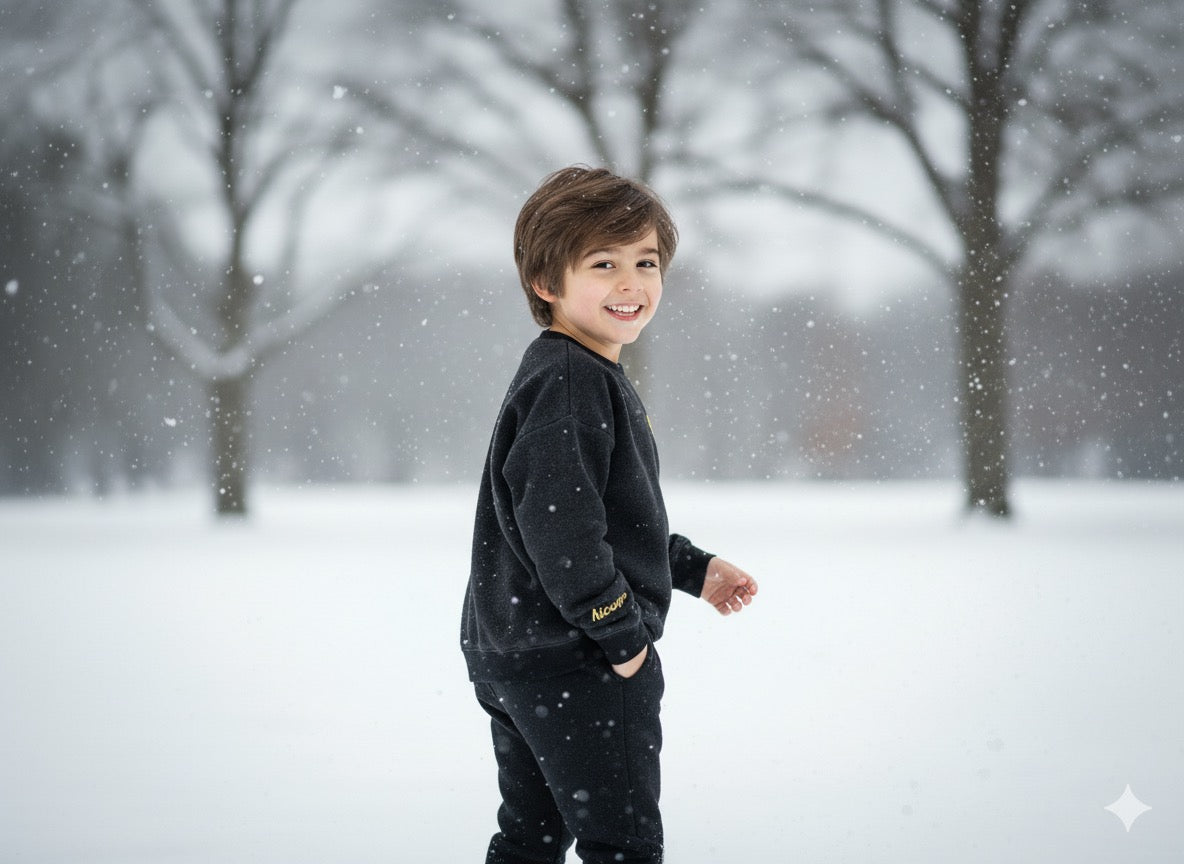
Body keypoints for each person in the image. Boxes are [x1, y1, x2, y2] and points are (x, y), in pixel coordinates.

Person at [461, 165, 757, 864]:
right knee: (620, 846)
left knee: (530, 839)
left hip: (523, 653)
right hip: (579, 663)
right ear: (546, 282)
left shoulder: (570, 373)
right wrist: (618, 636)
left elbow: (600, 517)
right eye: (603, 264)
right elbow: (562, 530)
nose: (631, 283)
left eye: (645, 262)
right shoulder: (570, 383)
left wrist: (693, 567)